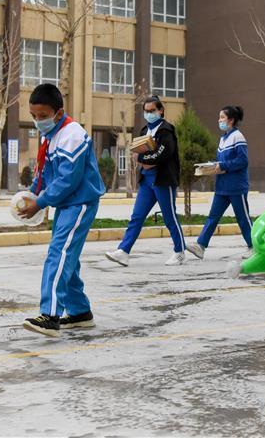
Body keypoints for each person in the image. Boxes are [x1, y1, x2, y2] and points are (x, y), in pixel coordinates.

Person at [17, 83, 105, 337]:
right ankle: (79, 312)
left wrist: (41, 202)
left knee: (59, 254)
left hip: (79, 202)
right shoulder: (52, 134)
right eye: (33, 116)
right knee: (69, 258)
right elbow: (45, 171)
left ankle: (50, 315)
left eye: (42, 116)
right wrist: (32, 194)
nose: (37, 121)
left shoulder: (72, 135)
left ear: (58, 112)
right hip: (67, 203)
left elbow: (68, 179)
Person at [105, 96, 187, 266]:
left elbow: (163, 154)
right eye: (146, 111)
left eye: (152, 111)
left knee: (169, 216)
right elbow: (138, 152)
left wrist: (143, 159)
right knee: (137, 216)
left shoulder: (166, 130)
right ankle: (123, 251)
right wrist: (143, 160)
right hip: (147, 180)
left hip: (162, 179)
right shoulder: (144, 131)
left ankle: (180, 252)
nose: (149, 114)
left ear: (161, 110)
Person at [186, 105, 253, 260]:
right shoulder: (223, 138)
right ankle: (201, 246)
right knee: (213, 216)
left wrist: (222, 166)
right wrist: (211, 166)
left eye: (222, 117)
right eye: (220, 117)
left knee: (243, 218)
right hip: (222, 186)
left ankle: (254, 246)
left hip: (236, 187)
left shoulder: (238, 137)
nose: (219, 120)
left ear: (231, 120)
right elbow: (224, 161)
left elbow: (242, 161)